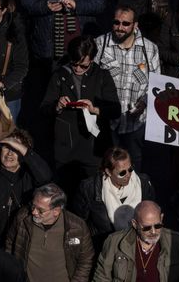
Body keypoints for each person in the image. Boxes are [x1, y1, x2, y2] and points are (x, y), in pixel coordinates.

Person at [41, 34, 121, 192]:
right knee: (66, 193)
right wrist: (57, 106)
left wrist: (95, 109)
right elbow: (44, 108)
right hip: (66, 149)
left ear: (92, 60)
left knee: (95, 194)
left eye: (83, 66)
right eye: (74, 64)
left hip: (94, 150)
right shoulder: (59, 75)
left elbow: (115, 110)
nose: (78, 69)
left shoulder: (102, 76)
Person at [93, 4, 161, 173]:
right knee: (107, 166)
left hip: (135, 124)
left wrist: (143, 104)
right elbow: (91, 79)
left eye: (125, 24)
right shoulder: (100, 44)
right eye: (116, 23)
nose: (120, 28)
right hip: (107, 123)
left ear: (135, 25)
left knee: (134, 167)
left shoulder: (150, 49)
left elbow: (155, 84)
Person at [72, 146, 156, 249]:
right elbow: (78, 224)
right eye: (122, 173)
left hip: (136, 246)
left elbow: (152, 216)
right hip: (104, 247)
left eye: (130, 169)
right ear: (108, 172)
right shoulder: (90, 189)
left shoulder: (143, 183)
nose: (128, 175)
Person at [20, 0, 105, 62]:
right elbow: (26, 1)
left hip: (81, 48)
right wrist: (44, 6)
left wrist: (76, 4)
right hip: (48, 48)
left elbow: (100, 3)